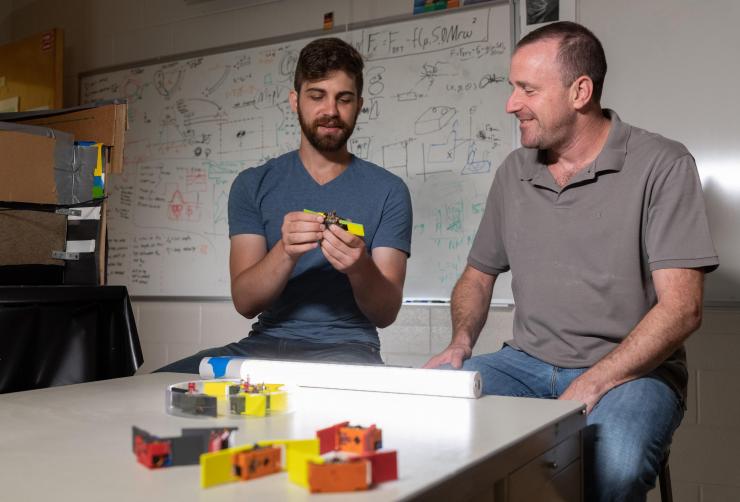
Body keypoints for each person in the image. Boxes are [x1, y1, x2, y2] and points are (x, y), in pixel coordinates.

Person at [424, 21, 717, 502]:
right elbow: (477, 276)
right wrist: (460, 342)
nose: (511, 104)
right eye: (512, 88)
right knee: (427, 419)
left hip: (632, 373)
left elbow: (683, 307)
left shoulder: (662, 164)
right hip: (524, 364)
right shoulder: (514, 172)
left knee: (613, 469)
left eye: (527, 89)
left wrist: (594, 381)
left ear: (580, 91)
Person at [157, 37, 412, 373]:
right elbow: (245, 302)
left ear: (359, 105)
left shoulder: (389, 190)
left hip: (349, 349)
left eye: (344, 99)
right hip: (263, 346)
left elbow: (386, 313)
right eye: (317, 96)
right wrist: (285, 252)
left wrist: (358, 266)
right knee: (154, 386)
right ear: (295, 101)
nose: (331, 111)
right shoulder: (252, 184)